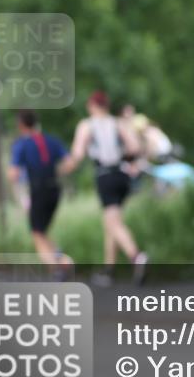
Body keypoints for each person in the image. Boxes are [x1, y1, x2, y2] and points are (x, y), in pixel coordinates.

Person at [60, 90, 148, 286]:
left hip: (105, 176)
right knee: (111, 222)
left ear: (92, 106)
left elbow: (77, 154)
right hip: (122, 176)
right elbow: (134, 147)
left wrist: (63, 169)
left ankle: (136, 257)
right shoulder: (118, 123)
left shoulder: (87, 125)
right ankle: (108, 270)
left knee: (114, 224)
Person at [8, 111, 72, 278]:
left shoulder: (21, 144)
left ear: (21, 125)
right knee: (41, 231)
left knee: (37, 234)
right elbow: (69, 163)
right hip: (54, 190)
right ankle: (63, 260)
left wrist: (19, 191)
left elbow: (13, 174)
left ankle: (56, 269)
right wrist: (55, 172)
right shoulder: (52, 140)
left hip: (38, 190)